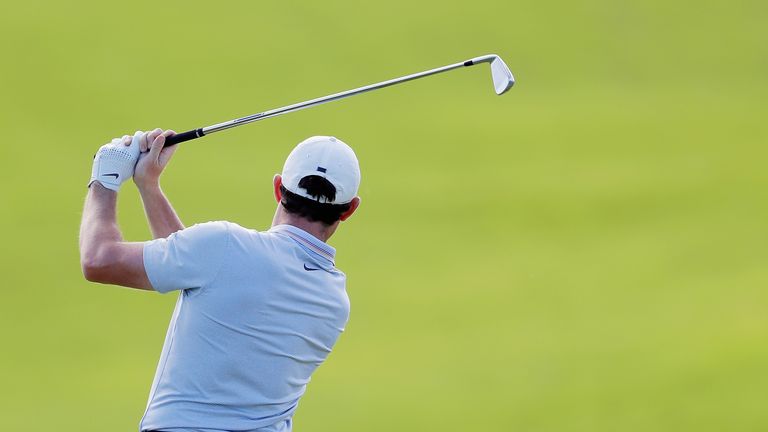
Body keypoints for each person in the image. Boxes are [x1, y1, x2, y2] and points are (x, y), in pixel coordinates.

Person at [79, 128, 361, 432]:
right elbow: (194, 268)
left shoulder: (222, 246)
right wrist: (149, 186)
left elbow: (99, 261)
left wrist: (105, 179)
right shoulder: (334, 301)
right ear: (349, 210)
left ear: (279, 188)